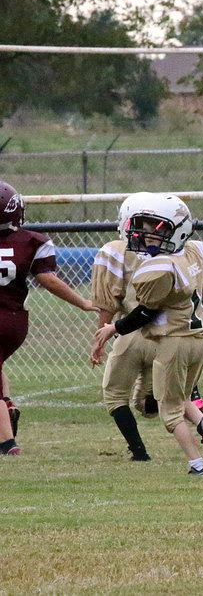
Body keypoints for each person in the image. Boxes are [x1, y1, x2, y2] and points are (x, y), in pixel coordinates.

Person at [91, 192, 203, 461]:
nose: (142, 233)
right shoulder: (197, 252)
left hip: (150, 332)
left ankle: (172, 459)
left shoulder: (129, 255)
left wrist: (108, 331)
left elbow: (141, 308)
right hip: (196, 335)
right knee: (171, 397)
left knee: (127, 398)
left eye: (148, 227)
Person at [0, 181, 97, 456]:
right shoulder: (32, 241)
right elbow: (48, 280)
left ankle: (7, 444)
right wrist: (83, 303)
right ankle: (7, 404)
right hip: (15, 321)